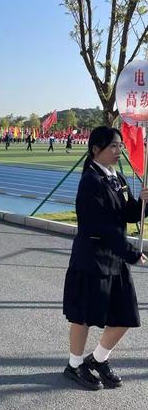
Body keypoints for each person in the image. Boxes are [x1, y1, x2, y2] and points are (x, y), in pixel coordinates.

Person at [62, 126, 148, 390]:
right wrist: (132, 253)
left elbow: (130, 213)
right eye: (113, 146)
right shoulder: (90, 182)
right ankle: (74, 365)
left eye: (120, 145)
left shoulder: (117, 178)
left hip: (114, 260)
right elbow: (102, 227)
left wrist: (145, 202)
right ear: (95, 150)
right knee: (83, 316)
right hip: (92, 259)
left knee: (125, 315)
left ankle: (98, 359)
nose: (118, 150)